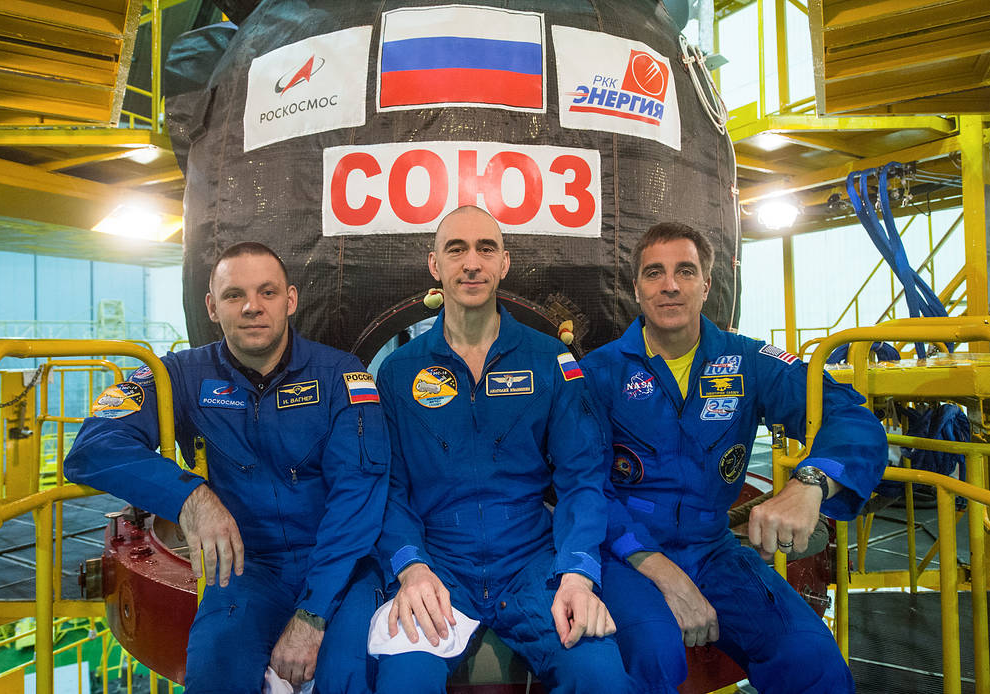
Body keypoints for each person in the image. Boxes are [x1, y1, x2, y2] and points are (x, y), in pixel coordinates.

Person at [64, 242, 389, 694]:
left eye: (268, 292)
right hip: (244, 569)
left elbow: (358, 495)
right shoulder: (178, 375)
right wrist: (190, 498)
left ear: (290, 300)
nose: (252, 307)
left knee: (351, 675)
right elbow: (92, 448)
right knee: (216, 668)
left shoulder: (341, 376)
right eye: (235, 295)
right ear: (212, 307)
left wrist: (312, 615)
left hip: (340, 567)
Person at [581, 222, 887, 693]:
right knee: (653, 656)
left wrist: (812, 481)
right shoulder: (599, 374)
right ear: (637, 289)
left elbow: (848, 414)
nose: (670, 285)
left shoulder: (747, 362)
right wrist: (662, 572)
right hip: (627, 554)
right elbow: (583, 486)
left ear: (706, 285)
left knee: (810, 656)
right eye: (654, 273)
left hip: (712, 549)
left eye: (685, 271)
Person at [373, 206, 633, 694]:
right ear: (434, 266)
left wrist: (577, 574)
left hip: (531, 563)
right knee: (402, 683)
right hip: (439, 564)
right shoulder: (397, 373)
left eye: (485, 249)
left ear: (504, 263)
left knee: (600, 676)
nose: (471, 263)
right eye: (457, 250)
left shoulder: (550, 360)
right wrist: (411, 567)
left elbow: (582, 477)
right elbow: (390, 487)